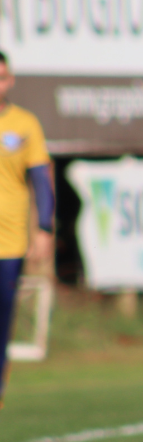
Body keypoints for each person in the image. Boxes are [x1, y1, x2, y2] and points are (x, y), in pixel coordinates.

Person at [0, 50, 54, 410]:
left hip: (9, 240)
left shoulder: (25, 125)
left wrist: (45, 228)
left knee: (2, 318)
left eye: (2, 76)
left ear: (10, 80)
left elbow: (41, 180)